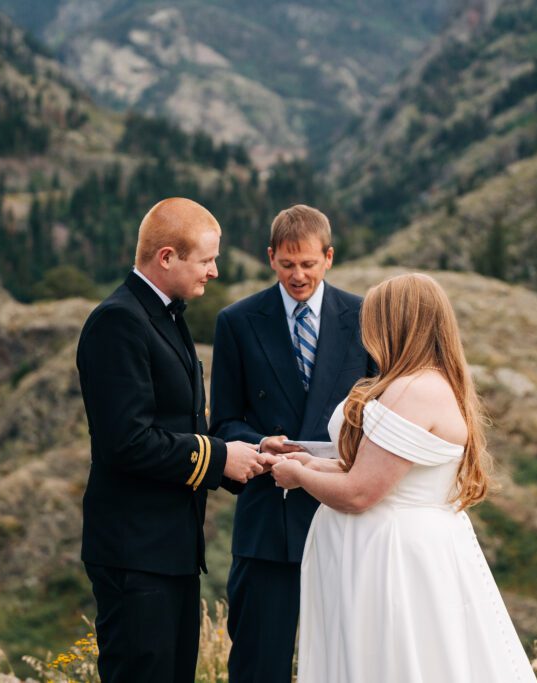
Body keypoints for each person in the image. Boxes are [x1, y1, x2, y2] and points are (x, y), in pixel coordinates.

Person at [272, 273, 536, 682]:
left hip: (391, 559)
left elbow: (360, 493)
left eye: (374, 321)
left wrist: (299, 477)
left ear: (396, 324)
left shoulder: (414, 390)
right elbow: (370, 470)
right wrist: (304, 461)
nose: (367, 332)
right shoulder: (417, 384)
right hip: (386, 548)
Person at [76, 197, 275, 683]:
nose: (214, 271)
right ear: (167, 257)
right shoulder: (118, 322)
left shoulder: (164, 315)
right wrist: (220, 458)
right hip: (134, 552)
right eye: (206, 259)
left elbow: (182, 424)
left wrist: (252, 451)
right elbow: (126, 441)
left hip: (169, 551)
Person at [209, 205, 373, 683]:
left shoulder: (365, 317)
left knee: (351, 664)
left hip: (345, 518)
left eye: (307, 264)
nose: (297, 276)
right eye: (286, 264)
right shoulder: (237, 322)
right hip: (267, 522)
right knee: (260, 664)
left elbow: (383, 415)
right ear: (270, 258)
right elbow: (223, 423)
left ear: (328, 257)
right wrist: (261, 441)